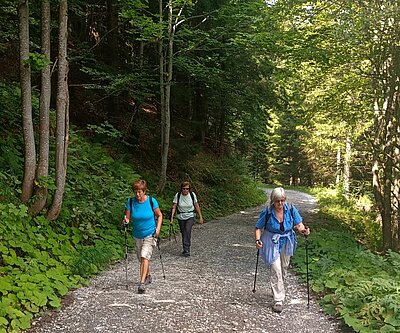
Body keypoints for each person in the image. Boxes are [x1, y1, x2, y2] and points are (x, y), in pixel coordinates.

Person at [254, 187, 310, 313]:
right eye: (277, 201)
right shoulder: (267, 211)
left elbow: (299, 224)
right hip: (270, 240)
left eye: (282, 200)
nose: (280, 204)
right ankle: (278, 300)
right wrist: (258, 240)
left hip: (287, 240)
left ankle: (277, 288)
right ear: (272, 201)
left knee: (284, 267)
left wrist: (303, 231)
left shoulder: (290, 209)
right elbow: (258, 227)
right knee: (276, 268)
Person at [123, 179, 163, 294]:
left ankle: (141, 283)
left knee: (144, 256)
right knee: (141, 258)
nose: (137, 194)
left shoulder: (151, 201)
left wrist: (158, 229)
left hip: (150, 233)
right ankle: (148, 274)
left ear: (144, 191)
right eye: (135, 191)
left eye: (140, 192)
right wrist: (125, 221)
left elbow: (159, 215)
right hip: (137, 234)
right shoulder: (130, 202)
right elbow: (128, 218)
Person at [169, 181, 204, 257]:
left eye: (187, 189)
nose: (185, 190)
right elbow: (174, 206)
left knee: (187, 230)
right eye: (184, 189)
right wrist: (171, 217)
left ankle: (187, 249)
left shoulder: (192, 195)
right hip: (181, 216)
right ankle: (185, 249)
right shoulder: (178, 195)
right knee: (183, 232)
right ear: (181, 189)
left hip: (190, 215)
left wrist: (200, 216)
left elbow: (196, 205)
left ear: (189, 189)